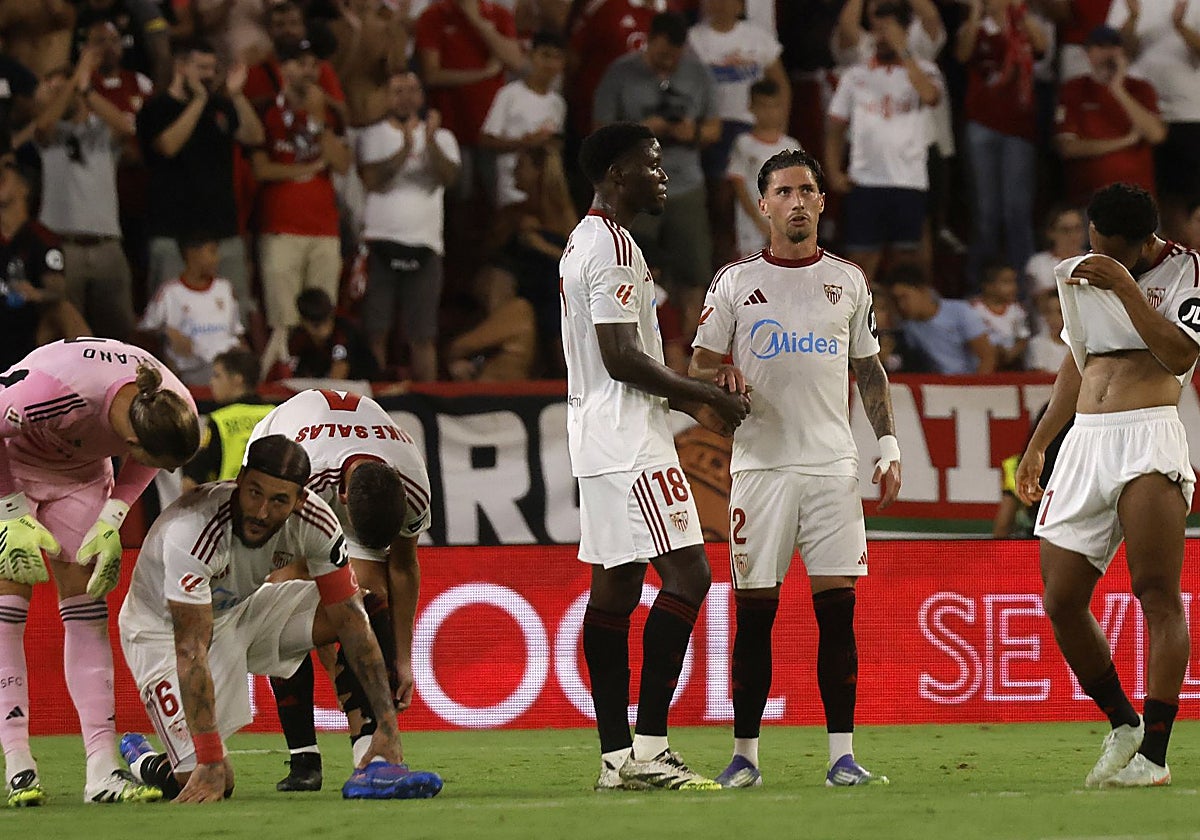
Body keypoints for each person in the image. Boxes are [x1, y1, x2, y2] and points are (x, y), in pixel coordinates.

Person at [689, 148, 900, 788]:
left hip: (833, 468)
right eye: (784, 191)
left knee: (838, 613)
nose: (798, 201)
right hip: (760, 469)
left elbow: (868, 368)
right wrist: (717, 378)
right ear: (764, 205)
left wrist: (887, 444)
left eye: (808, 189)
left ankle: (842, 756)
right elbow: (697, 368)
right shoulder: (734, 283)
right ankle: (745, 757)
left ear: (822, 201)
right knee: (756, 615)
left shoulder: (849, 281)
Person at [561, 121, 749, 791]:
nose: (663, 174)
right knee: (690, 575)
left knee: (615, 588)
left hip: (598, 434)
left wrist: (687, 399)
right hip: (630, 441)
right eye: (652, 163)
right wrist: (702, 396)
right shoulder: (611, 246)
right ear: (616, 175)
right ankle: (649, 748)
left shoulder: (585, 242)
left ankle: (616, 758)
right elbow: (620, 357)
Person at [117, 434, 442, 801]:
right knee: (214, 780)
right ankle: (143, 759)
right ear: (239, 481)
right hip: (162, 631)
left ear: (300, 499)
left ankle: (375, 756)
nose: (261, 511)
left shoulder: (316, 522)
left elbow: (351, 624)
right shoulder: (191, 532)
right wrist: (208, 761)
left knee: (363, 607)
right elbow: (190, 648)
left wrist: (388, 723)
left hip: (243, 609)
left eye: (278, 501)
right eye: (254, 492)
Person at [1015, 183, 1200, 787]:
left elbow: (1177, 355)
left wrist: (1124, 288)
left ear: (1145, 243)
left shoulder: (1187, 271)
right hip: (1086, 441)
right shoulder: (1077, 272)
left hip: (1147, 434)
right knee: (1061, 599)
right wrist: (1040, 444)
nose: (1102, 257)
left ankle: (1155, 757)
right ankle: (1123, 723)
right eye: (1096, 244)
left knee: (1156, 594)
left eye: (1116, 252)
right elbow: (1078, 362)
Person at [0, 337, 198, 807]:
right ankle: (17, 763)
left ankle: (103, 767)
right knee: (9, 605)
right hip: (10, 466)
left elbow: (148, 462)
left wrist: (114, 516)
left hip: (82, 475)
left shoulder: (173, 403)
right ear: (131, 441)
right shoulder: (52, 392)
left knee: (88, 607)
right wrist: (8, 511)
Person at [245, 391, 434, 792]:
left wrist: (403, 659)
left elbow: (401, 567)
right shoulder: (296, 476)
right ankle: (303, 758)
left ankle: (370, 755)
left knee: (368, 600)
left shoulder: (413, 485)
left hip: (340, 464)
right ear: (344, 501)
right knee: (288, 596)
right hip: (287, 461)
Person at [593, 11, 721, 340]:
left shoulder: (697, 73)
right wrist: (646, 130)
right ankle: (638, 345)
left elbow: (714, 128)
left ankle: (692, 350)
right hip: (636, 190)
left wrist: (691, 133)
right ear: (649, 41)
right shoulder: (620, 73)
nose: (668, 63)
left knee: (694, 273)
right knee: (632, 269)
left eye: (674, 58)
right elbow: (599, 132)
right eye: (662, 55)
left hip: (687, 185)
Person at [136, 38, 264, 318]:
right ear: (180, 67)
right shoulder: (156, 108)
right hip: (172, 232)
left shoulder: (220, 106)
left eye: (212, 69)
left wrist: (237, 96)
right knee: (171, 317)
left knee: (233, 312)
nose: (208, 75)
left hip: (221, 231)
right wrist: (198, 102)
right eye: (201, 67)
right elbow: (168, 146)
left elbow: (255, 136)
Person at [825, 0, 943, 287]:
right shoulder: (855, 75)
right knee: (861, 266)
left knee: (909, 266)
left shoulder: (925, 70)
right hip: (865, 181)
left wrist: (903, 51)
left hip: (909, 181)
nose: (881, 37)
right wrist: (833, 171)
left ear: (904, 31)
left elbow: (930, 96)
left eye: (887, 30)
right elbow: (835, 127)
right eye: (877, 30)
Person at [357, 71, 460, 380]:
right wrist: (404, 148)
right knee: (376, 329)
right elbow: (372, 180)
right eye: (397, 90)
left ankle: (426, 399)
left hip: (425, 244)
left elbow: (449, 177)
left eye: (412, 89)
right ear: (386, 96)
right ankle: (376, 400)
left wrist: (427, 141)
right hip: (380, 242)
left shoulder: (442, 137)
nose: (405, 97)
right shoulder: (372, 135)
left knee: (423, 333)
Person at [33, 49, 138, 341]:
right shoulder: (50, 133)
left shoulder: (103, 131)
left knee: (119, 333)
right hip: (63, 247)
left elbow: (126, 127)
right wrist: (75, 77)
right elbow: (41, 126)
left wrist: (86, 88)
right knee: (65, 335)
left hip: (107, 246)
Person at [1055, 25, 1165, 208]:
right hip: (1091, 199)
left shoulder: (1140, 89)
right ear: (1088, 53)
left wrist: (1118, 90)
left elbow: (1156, 135)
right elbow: (1067, 147)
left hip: (1139, 199)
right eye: (1101, 47)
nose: (1108, 53)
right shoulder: (1074, 90)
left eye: (1113, 46)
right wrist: (1126, 141)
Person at [137, 230, 246, 386]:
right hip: (190, 372)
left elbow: (238, 333)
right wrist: (167, 333)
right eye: (212, 252)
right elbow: (144, 332)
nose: (217, 259)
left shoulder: (225, 289)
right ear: (192, 254)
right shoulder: (170, 292)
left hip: (228, 371)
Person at [478, 29, 567, 208]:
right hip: (511, 189)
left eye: (556, 58)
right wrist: (525, 143)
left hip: (544, 193)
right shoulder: (510, 94)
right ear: (532, 56)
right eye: (545, 56)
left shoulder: (558, 103)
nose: (550, 64)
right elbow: (485, 139)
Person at [181, 348, 272, 493]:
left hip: (229, 502)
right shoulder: (274, 414)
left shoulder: (220, 419)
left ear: (237, 379)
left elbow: (192, 480)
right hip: (270, 501)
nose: (211, 382)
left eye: (217, 376)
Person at [726, 80, 799, 258]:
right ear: (751, 107)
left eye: (774, 107)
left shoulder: (791, 146)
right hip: (751, 225)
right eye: (763, 106)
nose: (769, 113)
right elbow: (739, 185)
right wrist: (758, 220)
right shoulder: (744, 144)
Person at [889, 263, 997, 374]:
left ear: (923, 291)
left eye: (904, 297)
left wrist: (975, 388)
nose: (901, 305)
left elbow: (987, 356)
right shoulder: (907, 326)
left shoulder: (960, 312)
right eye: (896, 300)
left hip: (969, 380)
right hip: (937, 385)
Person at [446, 263, 537, 381]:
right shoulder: (481, 316)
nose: (483, 288)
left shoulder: (518, 309)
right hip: (480, 392)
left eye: (490, 280)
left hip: (506, 393)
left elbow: (457, 347)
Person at [971, 261, 1030, 371]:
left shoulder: (1017, 310)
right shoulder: (974, 310)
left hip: (1011, 362)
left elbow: (1023, 338)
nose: (1014, 287)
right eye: (1007, 282)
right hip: (982, 363)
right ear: (988, 286)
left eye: (1014, 282)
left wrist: (1011, 353)